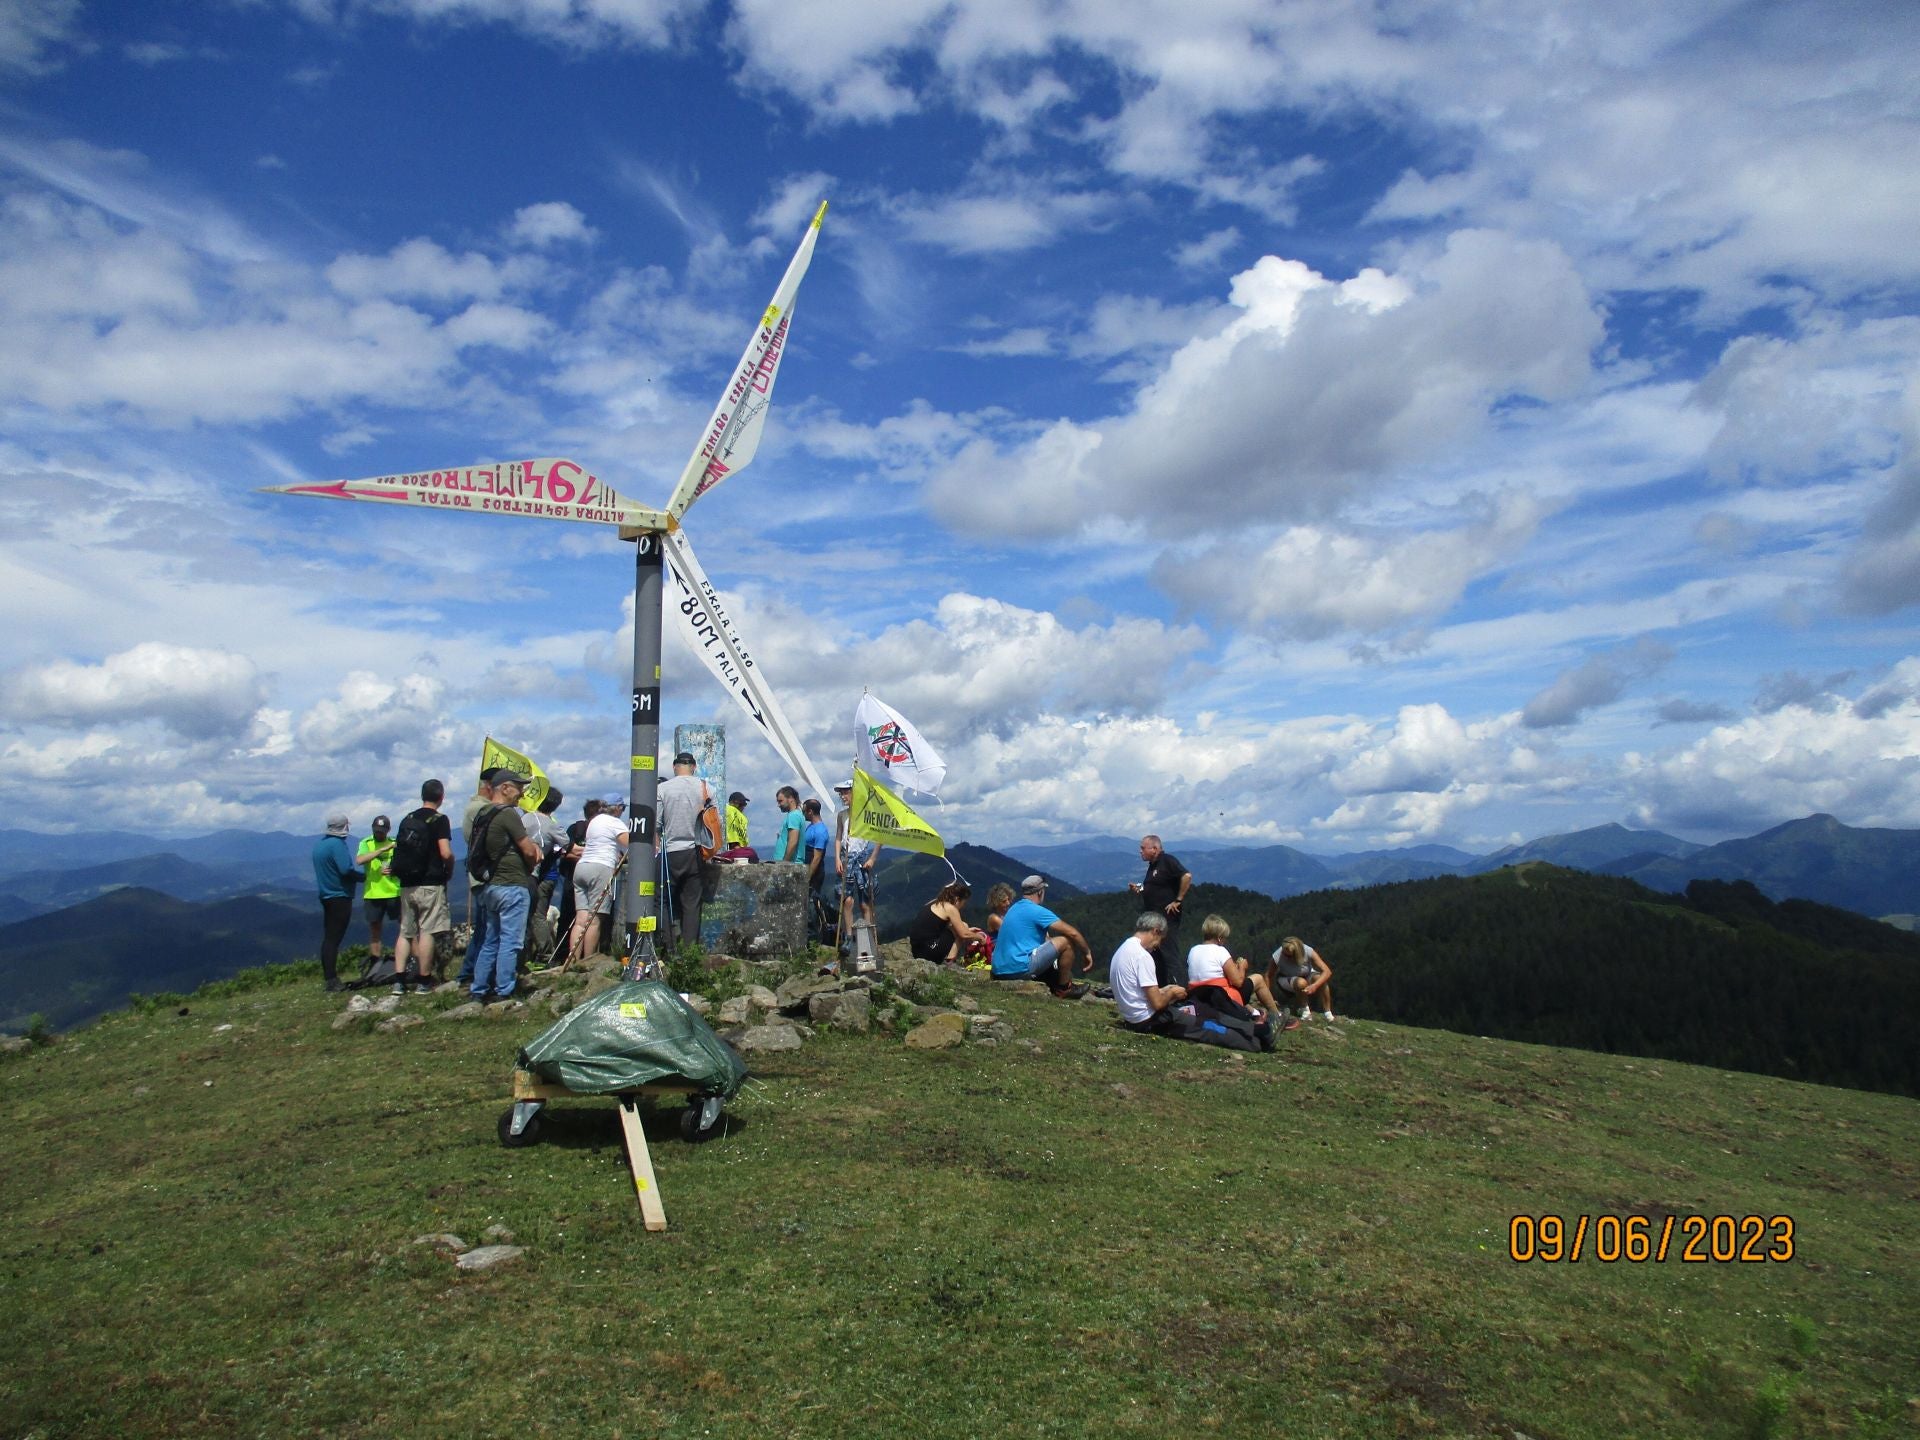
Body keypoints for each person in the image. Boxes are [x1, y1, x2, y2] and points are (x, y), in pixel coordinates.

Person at [468, 771, 540, 1003]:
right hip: (512, 884)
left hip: (491, 885)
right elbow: (529, 850)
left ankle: (479, 989)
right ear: (505, 788)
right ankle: (503, 991)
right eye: (519, 788)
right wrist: (533, 860)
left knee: (491, 939)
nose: (522, 793)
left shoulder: (483, 813)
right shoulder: (508, 814)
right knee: (511, 940)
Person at [390, 779, 454, 993]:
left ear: (422, 795)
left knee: (406, 932)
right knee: (427, 930)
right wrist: (450, 868)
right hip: (430, 882)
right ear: (441, 797)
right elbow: (445, 852)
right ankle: (423, 980)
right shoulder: (439, 819)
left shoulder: (408, 818)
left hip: (406, 883)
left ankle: (399, 980)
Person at [990, 875, 1095, 998]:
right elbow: (1073, 933)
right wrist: (1087, 952)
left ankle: (1052, 980)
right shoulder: (1037, 911)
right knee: (1066, 941)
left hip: (998, 969)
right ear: (1040, 892)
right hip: (1018, 968)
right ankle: (1064, 988)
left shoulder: (1014, 908)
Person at [1187, 913, 1295, 1028]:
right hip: (1222, 999)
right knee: (1258, 979)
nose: (1225, 941)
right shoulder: (1220, 951)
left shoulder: (1193, 950)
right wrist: (1242, 967)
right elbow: (1238, 982)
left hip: (1198, 997)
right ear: (1219, 938)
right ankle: (1277, 1015)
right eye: (1224, 937)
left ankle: (1253, 1013)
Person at [657, 752, 718, 953]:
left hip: (670, 852)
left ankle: (667, 947)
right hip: (696, 851)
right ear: (694, 767)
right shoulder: (706, 788)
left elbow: (656, 824)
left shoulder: (662, 789)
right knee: (692, 904)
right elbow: (715, 823)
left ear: (675, 767)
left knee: (663, 900)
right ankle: (689, 953)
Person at [566, 794, 628, 967]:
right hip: (600, 868)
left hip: (582, 866)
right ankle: (588, 962)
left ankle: (572, 960)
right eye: (623, 808)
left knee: (581, 918)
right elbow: (630, 843)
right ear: (617, 808)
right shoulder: (614, 822)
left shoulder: (595, 821)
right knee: (594, 919)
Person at [1129, 835, 1192, 987]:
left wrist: (1178, 900)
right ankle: (1162, 986)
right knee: (1156, 954)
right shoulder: (1153, 865)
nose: (1140, 851)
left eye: (1143, 848)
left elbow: (1186, 876)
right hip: (1154, 918)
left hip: (1166, 918)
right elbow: (1157, 888)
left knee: (1169, 953)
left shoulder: (1167, 860)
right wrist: (1141, 890)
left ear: (1155, 848)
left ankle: (1182, 989)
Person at [1110, 912, 1187, 1034]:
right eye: (1160, 940)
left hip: (1131, 1018)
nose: (1158, 946)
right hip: (1146, 1020)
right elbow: (1158, 1004)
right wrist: (1172, 993)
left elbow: (1136, 991)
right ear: (1156, 931)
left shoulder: (1123, 949)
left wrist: (1164, 990)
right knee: (1196, 1019)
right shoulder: (1143, 956)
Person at [458, 770, 500, 990]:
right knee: (487, 929)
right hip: (485, 876)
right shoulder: (482, 809)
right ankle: (473, 974)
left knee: (484, 928)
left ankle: (469, 972)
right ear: (489, 787)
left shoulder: (474, 808)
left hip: (478, 874)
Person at [310, 814, 361, 992]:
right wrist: (364, 877)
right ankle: (332, 980)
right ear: (344, 827)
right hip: (340, 896)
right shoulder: (337, 845)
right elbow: (345, 870)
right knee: (334, 939)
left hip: (326, 895)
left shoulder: (320, 845)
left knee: (329, 938)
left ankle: (329, 976)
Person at [356, 815, 400, 978]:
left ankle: (404, 960)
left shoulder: (395, 843)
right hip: (373, 893)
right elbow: (360, 860)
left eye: (382, 832)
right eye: (376, 831)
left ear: (388, 830)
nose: (379, 834)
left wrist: (395, 869)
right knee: (375, 930)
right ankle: (375, 963)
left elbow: (404, 862)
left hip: (394, 891)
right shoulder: (366, 843)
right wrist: (381, 850)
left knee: (403, 927)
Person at [907, 881, 989, 964]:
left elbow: (941, 926)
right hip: (928, 952)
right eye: (963, 903)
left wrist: (968, 930)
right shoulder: (950, 908)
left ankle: (948, 960)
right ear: (957, 899)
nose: (963, 906)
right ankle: (950, 961)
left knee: (963, 926)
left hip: (917, 949)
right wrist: (980, 938)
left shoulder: (935, 902)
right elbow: (964, 934)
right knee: (963, 927)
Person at [1271, 936, 1336, 1020]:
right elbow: (1269, 975)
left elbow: (1327, 971)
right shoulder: (1277, 955)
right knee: (1301, 982)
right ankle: (1305, 1009)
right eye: (1284, 954)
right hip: (1286, 978)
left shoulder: (1308, 950)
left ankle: (1328, 1013)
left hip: (1307, 974)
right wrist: (1270, 996)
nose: (1285, 957)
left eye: (1289, 956)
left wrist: (1315, 985)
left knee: (1320, 979)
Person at [800, 798, 833, 941]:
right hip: (808, 869)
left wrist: (807, 877)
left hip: (814, 873)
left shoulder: (820, 831)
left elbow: (817, 858)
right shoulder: (812, 827)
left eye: (804, 811)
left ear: (810, 811)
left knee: (811, 905)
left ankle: (812, 939)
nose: (803, 814)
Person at [773, 785, 806, 863]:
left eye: (780, 801)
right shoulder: (796, 815)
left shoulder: (793, 816)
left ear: (791, 798)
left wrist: (784, 864)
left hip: (790, 865)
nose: (778, 805)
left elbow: (793, 841)